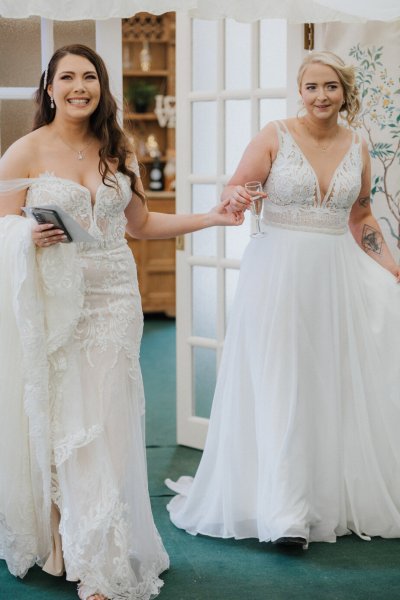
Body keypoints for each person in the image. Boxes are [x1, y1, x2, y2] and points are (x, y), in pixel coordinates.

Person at [0, 44, 243, 600]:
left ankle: (100, 554)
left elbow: (142, 224)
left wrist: (211, 216)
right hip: (58, 303)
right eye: (68, 77)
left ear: (101, 86)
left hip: (114, 299)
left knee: (106, 423)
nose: (79, 86)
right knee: (68, 422)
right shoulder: (26, 151)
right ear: (49, 87)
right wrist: (24, 237)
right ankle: (72, 547)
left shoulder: (119, 150)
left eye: (90, 76)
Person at [166, 51, 400, 549]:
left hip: (335, 279)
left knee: (326, 382)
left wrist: (393, 267)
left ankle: (324, 496)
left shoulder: (358, 143)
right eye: (312, 86)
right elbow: (237, 188)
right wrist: (236, 199)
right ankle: (285, 512)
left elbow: (361, 216)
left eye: (330, 87)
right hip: (277, 278)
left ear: (344, 91)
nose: (321, 96)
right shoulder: (274, 134)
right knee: (281, 380)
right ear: (300, 91)